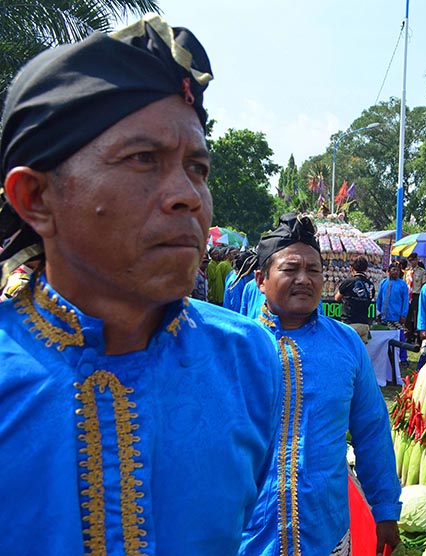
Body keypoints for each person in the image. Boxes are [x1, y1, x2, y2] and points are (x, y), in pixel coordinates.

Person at [0, 15, 281, 553]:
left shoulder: (248, 361)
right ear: (36, 198)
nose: (188, 197)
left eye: (197, 167)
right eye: (143, 160)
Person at [240, 212, 401, 555]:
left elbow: (372, 431)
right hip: (248, 536)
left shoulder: (346, 345)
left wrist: (385, 509)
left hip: (326, 535)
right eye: (290, 269)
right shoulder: (236, 346)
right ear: (261, 279)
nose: (304, 279)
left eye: (313, 270)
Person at [334, 254, 376, 343]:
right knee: (360, 354)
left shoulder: (348, 282)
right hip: (364, 325)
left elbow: (337, 298)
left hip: (350, 324)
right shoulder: (371, 285)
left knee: (348, 353)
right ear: (366, 269)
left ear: (351, 268)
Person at [376, 261, 410, 365]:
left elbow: (405, 300)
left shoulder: (402, 284)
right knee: (385, 338)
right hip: (384, 316)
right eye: (394, 270)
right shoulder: (383, 283)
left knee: (400, 338)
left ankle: (403, 359)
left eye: (398, 270)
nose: (396, 272)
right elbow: (379, 299)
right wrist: (377, 312)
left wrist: (403, 314)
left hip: (396, 316)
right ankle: (386, 358)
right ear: (388, 271)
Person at [404, 252, 426, 343]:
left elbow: (423, 284)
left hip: (417, 295)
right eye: (410, 261)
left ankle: (417, 335)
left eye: (414, 260)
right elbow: (405, 283)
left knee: (417, 315)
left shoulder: (421, 271)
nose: (412, 262)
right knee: (408, 315)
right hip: (408, 295)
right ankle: (408, 335)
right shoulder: (407, 271)